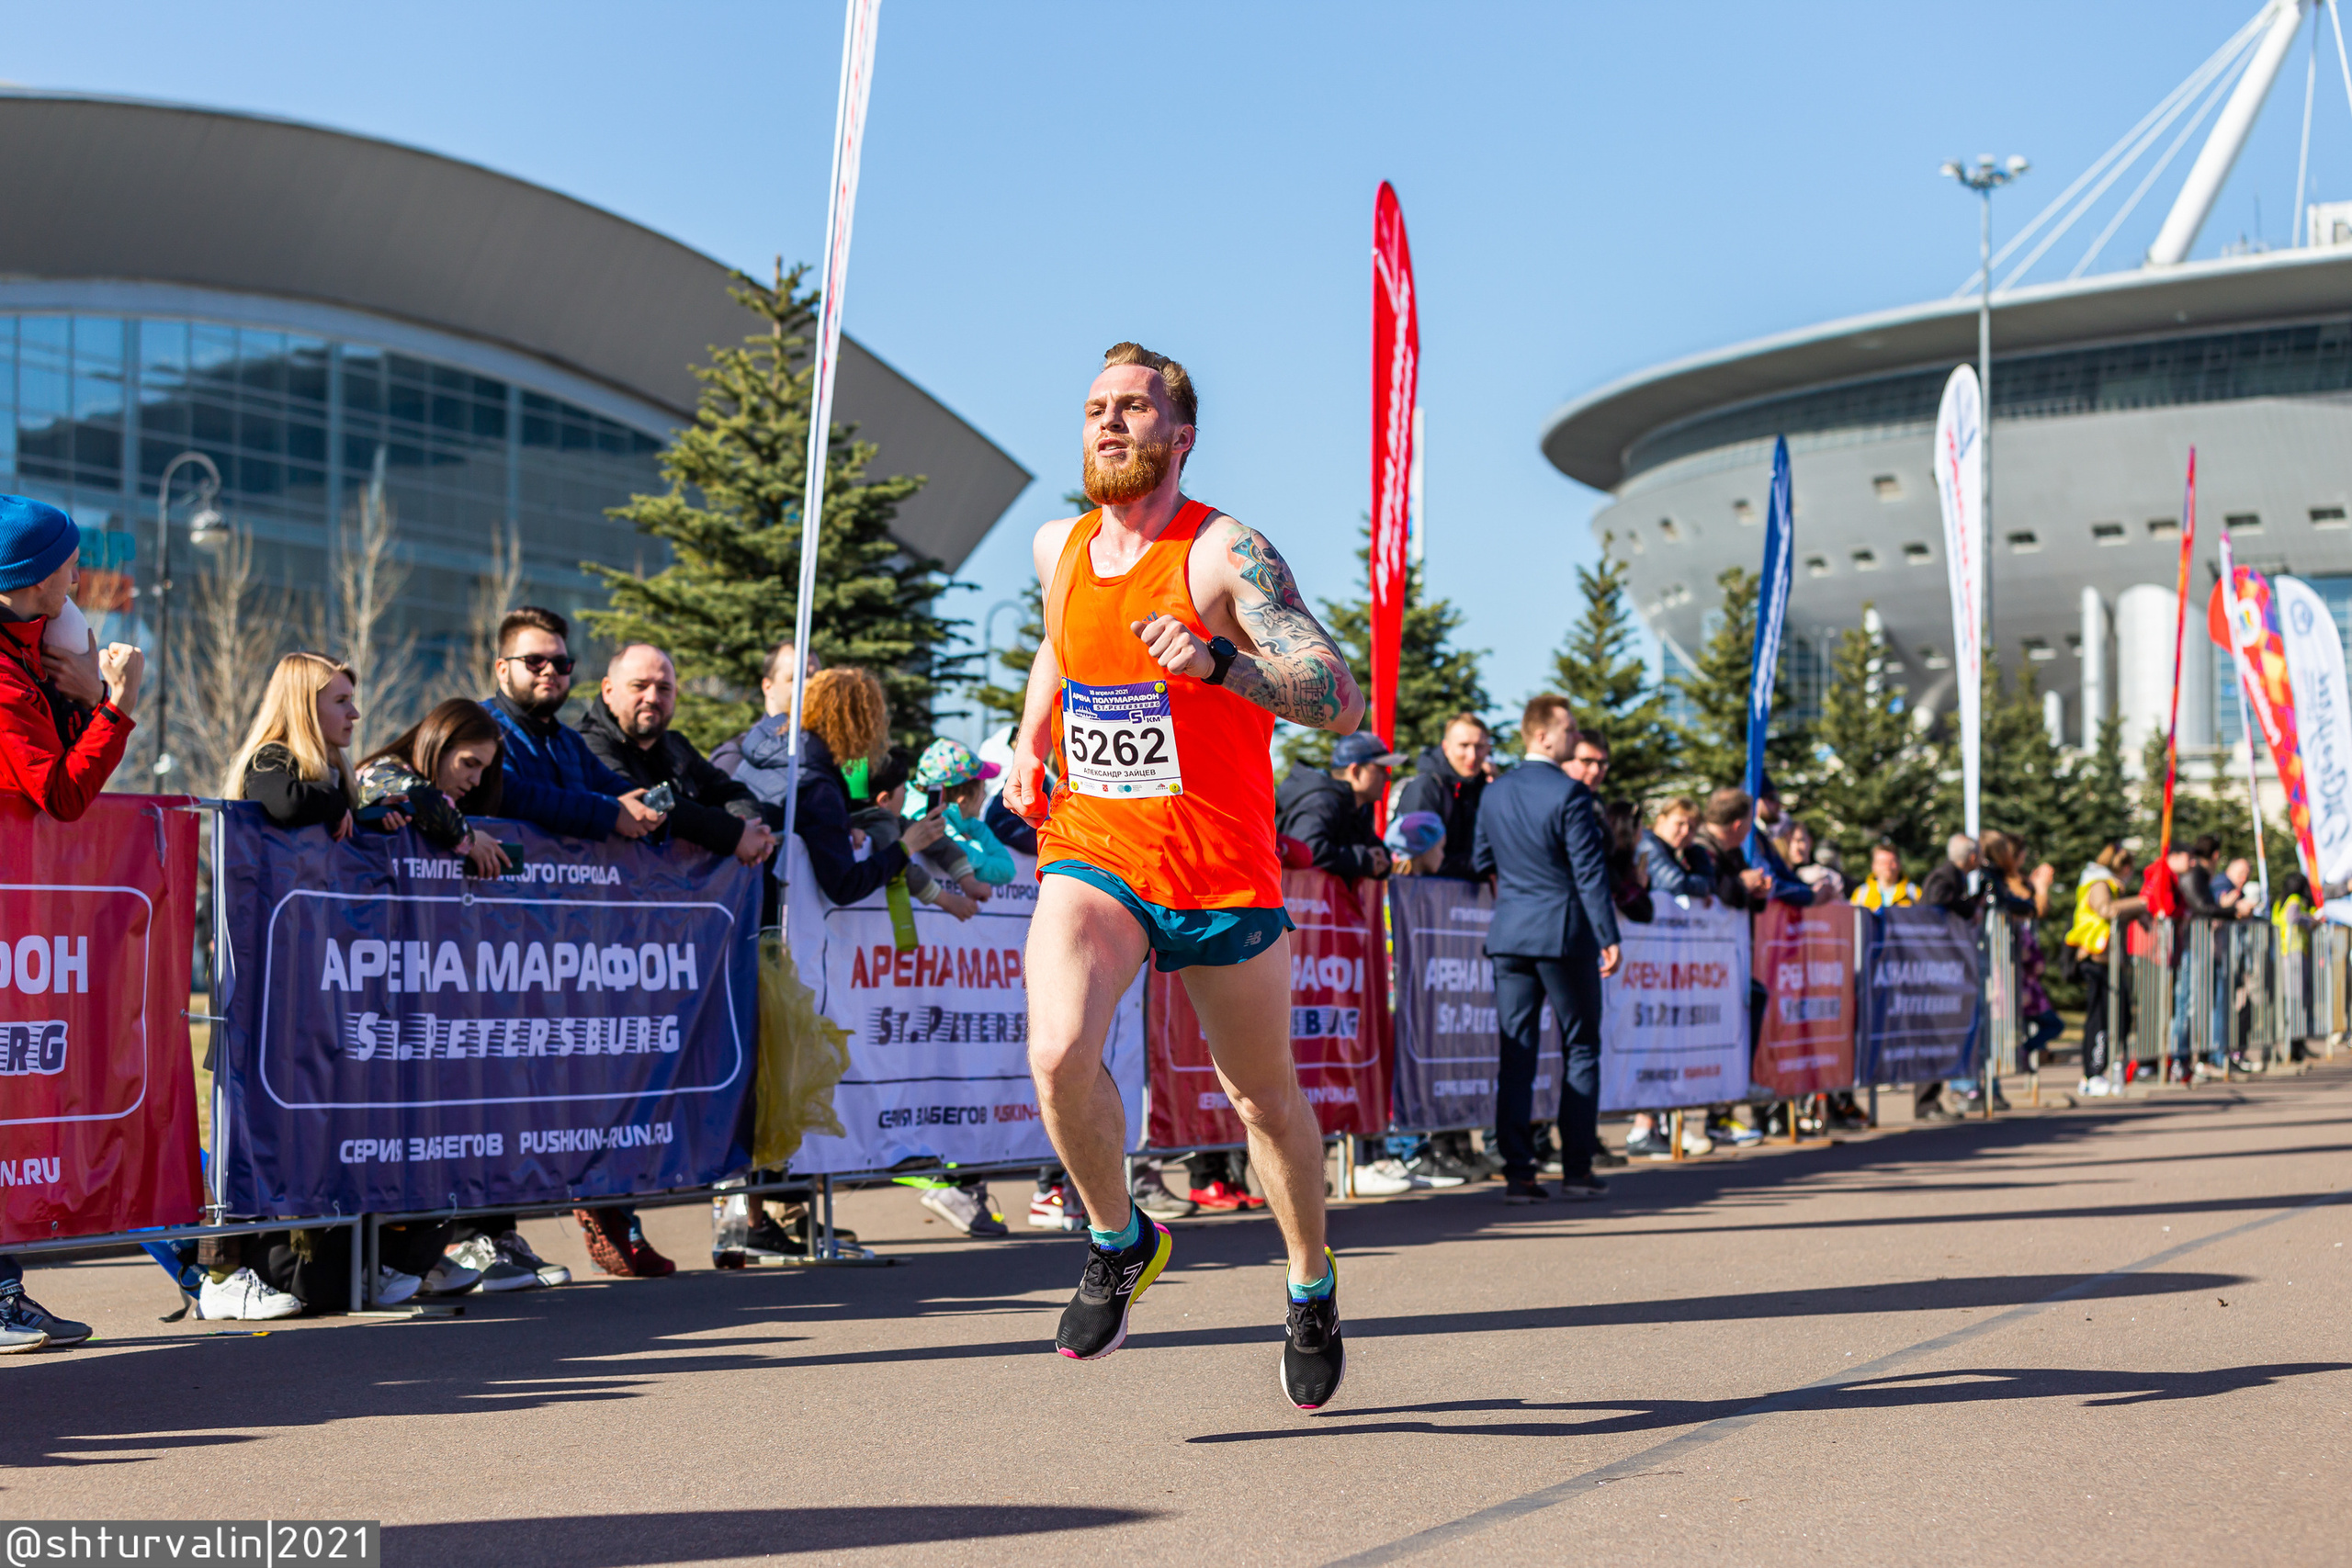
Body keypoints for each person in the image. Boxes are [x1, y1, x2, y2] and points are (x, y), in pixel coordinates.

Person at [1003, 342, 1364, 1409]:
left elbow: (1337, 694)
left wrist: (1222, 666)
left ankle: (1309, 1284)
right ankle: (1119, 1241)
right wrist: (1029, 740)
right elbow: (1061, 651)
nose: (1110, 423)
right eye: (1095, 408)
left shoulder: (1223, 553)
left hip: (1217, 869)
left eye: (1134, 409)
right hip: (1095, 850)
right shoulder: (1054, 547)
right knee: (1059, 1046)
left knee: (1262, 1101)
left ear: (1180, 433)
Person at [0, 494, 142, 1351]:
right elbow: (58, 791)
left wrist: (88, 695)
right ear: (34, 575)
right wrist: (116, 704)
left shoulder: (32, 648)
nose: (80, 574)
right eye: (70, 562)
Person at [1473, 694, 1622, 1203]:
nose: (1575, 737)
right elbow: (1589, 874)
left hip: (1511, 933)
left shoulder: (1495, 793)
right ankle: (1576, 1168)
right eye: (1568, 729)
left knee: (1517, 1055)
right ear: (1541, 735)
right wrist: (1609, 936)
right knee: (1580, 1047)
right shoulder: (1572, 794)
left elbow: (1481, 858)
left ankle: (1519, 1174)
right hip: (1564, 935)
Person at [740, 666, 947, 906]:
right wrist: (907, 846)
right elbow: (845, 886)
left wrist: (845, 828)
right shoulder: (818, 787)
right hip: (766, 915)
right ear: (861, 727)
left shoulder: (768, 744)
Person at [577, 643, 776, 865]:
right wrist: (733, 835)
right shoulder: (585, 745)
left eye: (664, 688)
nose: (652, 697)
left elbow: (729, 791)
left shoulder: (676, 746)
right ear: (608, 690)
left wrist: (751, 825)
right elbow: (642, 802)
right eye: (639, 686)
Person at [483, 605, 666, 843]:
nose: (550, 671)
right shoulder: (479, 727)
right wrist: (609, 813)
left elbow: (621, 792)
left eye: (561, 663)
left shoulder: (570, 742)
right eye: (534, 661)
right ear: (502, 669)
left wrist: (651, 809)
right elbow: (507, 794)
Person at [1915, 832, 1984, 1121]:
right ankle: (1926, 1103)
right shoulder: (1944, 877)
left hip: (1942, 966)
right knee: (1933, 1033)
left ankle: (1932, 1100)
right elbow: (1937, 903)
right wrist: (1969, 906)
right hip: (1932, 965)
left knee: (1944, 1034)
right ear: (1971, 857)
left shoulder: (1951, 877)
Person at [1984, 829, 2063, 1078]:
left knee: (2043, 1023)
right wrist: (2040, 887)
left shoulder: (2015, 881)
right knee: (2004, 1024)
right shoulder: (2004, 882)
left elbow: (2040, 908)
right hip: (2009, 966)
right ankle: (2010, 1063)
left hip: (2024, 968)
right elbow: (2035, 909)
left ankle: (2024, 1054)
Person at [1276, 731, 1404, 882]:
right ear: (1355, 772)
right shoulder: (1322, 801)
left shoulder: (1360, 806)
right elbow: (1309, 850)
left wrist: (1382, 862)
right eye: (1380, 768)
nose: (1388, 777)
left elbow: (1371, 847)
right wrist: (1364, 861)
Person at [2066, 840, 2142, 1095]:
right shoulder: (2099, 883)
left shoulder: (2108, 883)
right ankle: (2092, 1073)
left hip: (2109, 960)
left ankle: (2110, 1068)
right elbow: (2105, 909)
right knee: (2099, 1017)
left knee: (2120, 1016)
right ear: (2124, 867)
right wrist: (2142, 903)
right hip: (2096, 958)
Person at [1396, 712, 1493, 880]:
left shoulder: (1483, 787)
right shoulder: (1427, 787)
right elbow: (1421, 861)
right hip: (1428, 897)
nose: (1472, 755)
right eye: (1464, 745)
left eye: (1480, 746)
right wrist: (1482, 865)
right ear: (1446, 748)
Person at [711, 639, 819, 778]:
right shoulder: (735, 757)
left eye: (816, 678)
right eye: (795, 678)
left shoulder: (828, 752)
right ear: (768, 687)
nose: (809, 686)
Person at [1850, 841, 1919, 909]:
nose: (1887, 866)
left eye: (1891, 862)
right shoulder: (1861, 893)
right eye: (1882, 862)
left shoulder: (1914, 893)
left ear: (1899, 864)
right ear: (1873, 866)